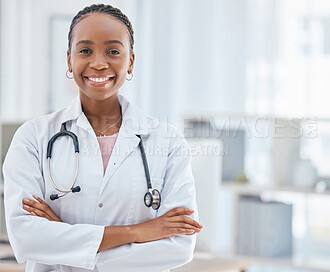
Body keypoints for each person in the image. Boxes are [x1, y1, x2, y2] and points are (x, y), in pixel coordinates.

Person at [2, 4, 202, 272]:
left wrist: (64, 239)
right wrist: (138, 231)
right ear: (69, 60)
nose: (98, 62)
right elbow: (26, 239)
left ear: (130, 61)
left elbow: (178, 245)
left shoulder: (167, 141)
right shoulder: (33, 137)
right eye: (85, 50)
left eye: (113, 51)